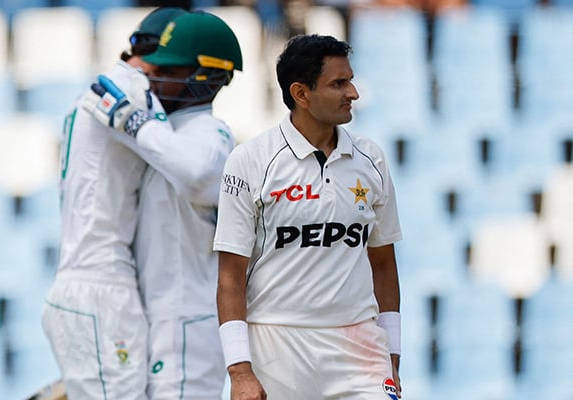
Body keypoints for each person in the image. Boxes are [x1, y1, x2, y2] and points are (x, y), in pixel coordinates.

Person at [213, 34, 403, 400]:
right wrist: (239, 371)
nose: (354, 93)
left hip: (358, 345)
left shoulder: (372, 159)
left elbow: (383, 265)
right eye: (339, 84)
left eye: (350, 80)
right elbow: (230, 275)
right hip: (277, 346)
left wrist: (392, 354)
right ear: (301, 93)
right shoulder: (251, 160)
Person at [83, 11, 243, 399]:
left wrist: (133, 121)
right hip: (157, 318)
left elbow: (200, 177)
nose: (154, 76)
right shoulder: (170, 134)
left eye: (171, 70)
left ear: (208, 75)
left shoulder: (213, 132)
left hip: (189, 321)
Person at [41, 7, 186, 400]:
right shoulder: (132, 90)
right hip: (101, 288)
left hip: (90, 282)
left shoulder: (100, 87)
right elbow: (189, 169)